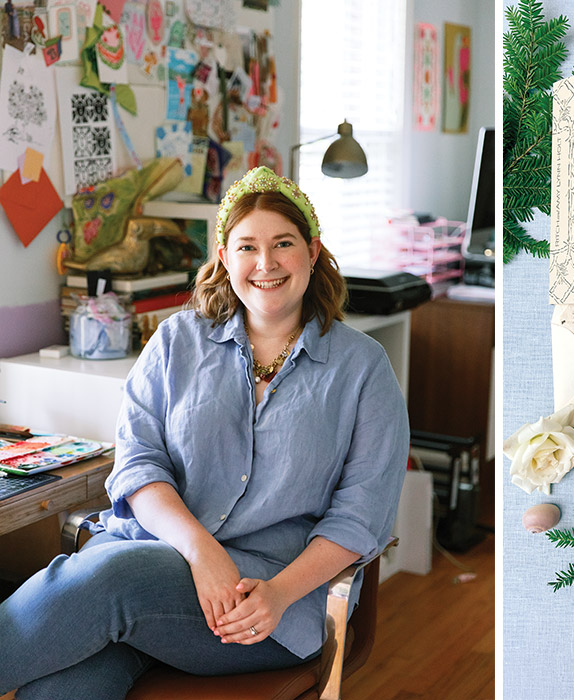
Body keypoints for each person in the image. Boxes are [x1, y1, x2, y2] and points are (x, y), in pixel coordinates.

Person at [0, 167, 409, 699]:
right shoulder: (175, 341)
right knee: (62, 689)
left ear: (312, 252)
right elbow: (139, 464)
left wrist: (279, 593)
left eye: (283, 244)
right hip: (154, 564)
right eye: (247, 247)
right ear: (224, 257)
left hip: (267, 603)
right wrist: (202, 552)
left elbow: (361, 515)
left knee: (110, 578)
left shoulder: (364, 368)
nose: (265, 263)